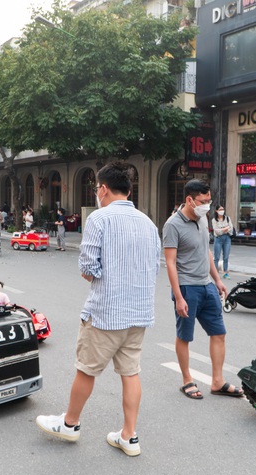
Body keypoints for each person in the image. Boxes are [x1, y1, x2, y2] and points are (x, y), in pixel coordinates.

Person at [36, 162, 161, 457]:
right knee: (130, 372)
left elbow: (88, 268)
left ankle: (70, 423)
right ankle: (129, 436)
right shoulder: (149, 222)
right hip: (138, 313)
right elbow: (154, 267)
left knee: (86, 370)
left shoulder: (99, 219)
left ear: (103, 189)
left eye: (96, 189)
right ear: (129, 191)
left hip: (106, 312)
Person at [163, 179, 243, 400]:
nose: (207, 205)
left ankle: (217, 381)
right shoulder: (172, 225)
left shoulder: (202, 218)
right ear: (189, 199)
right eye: (203, 201)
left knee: (219, 333)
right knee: (184, 336)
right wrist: (178, 297)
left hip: (207, 286)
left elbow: (205, 250)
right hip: (187, 288)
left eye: (209, 201)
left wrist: (216, 279)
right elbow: (170, 263)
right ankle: (187, 379)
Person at [211, 205, 233, 279]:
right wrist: (225, 229)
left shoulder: (227, 218)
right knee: (216, 257)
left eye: (223, 209)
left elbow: (231, 229)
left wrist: (223, 229)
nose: (222, 210)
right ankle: (216, 273)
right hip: (218, 239)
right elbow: (217, 231)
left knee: (226, 257)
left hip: (227, 238)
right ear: (216, 211)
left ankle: (225, 272)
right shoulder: (214, 220)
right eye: (220, 209)